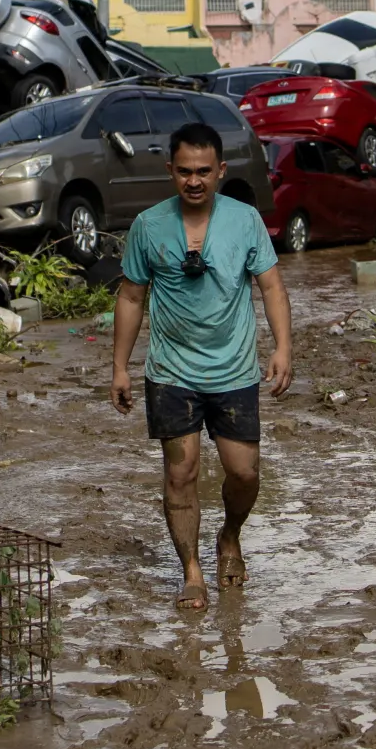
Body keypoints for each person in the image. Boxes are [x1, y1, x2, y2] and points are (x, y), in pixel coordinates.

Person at [110, 120, 293, 610]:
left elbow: (271, 286)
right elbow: (131, 296)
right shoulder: (149, 226)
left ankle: (229, 535)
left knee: (245, 472)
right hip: (171, 373)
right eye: (185, 172)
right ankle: (191, 571)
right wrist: (120, 367)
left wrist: (282, 348)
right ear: (171, 171)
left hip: (234, 370)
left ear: (220, 171)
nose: (195, 181)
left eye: (204, 171)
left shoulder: (245, 220)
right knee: (181, 472)